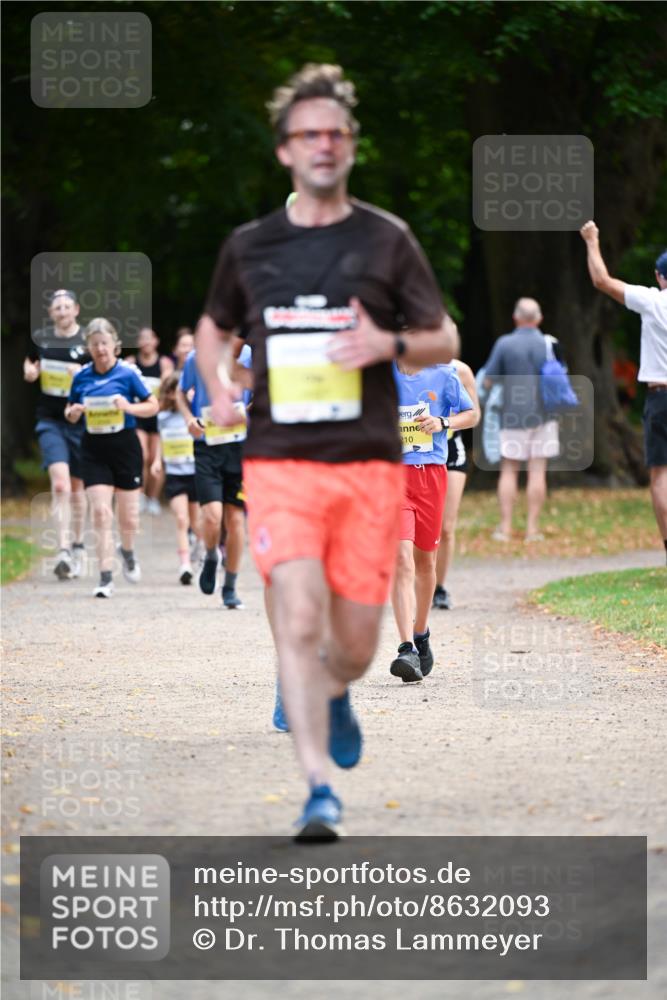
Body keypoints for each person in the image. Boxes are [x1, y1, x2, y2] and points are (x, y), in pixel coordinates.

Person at [193, 63, 455, 840]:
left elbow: (443, 337)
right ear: (284, 150)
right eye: (307, 133)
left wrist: (390, 341)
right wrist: (215, 389)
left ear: (350, 146)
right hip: (280, 464)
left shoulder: (386, 239)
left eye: (334, 132)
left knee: (353, 643)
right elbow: (214, 327)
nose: (321, 144)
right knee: (297, 615)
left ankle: (338, 690)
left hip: (369, 466)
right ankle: (318, 791)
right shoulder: (250, 248)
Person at [580, 222, 667, 562]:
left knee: (661, 475)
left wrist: (592, 241)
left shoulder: (653, 301)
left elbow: (601, 280)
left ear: (660, 277)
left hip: (661, 396)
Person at [390, 358, 476, 682]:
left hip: (431, 475)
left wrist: (442, 422)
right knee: (400, 559)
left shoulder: (443, 374)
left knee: (425, 562)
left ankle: (421, 632)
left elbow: (470, 415)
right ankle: (405, 648)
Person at [65, 318, 158, 597]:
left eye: (104, 343)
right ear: (89, 349)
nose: (100, 349)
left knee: (128, 518)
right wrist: (74, 413)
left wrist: (128, 407)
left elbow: (153, 406)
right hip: (93, 449)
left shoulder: (128, 374)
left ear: (114, 346)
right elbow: (69, 411)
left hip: (125, 448)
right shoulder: (82, 376)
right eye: (94, 345)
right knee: (101, 512)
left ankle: (127, 551)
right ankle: (105, 577)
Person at [176, 342, 250, 608]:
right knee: (212, 517)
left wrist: (248, 412)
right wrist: (188, 419)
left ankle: (230, 587)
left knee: (236, 520)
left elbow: (265, 392)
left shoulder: (250, 355)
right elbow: (180, 393)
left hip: (241, 447)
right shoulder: (198, 357)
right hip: (207, 445)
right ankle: (210, 555)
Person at [482, 298, 560, 543]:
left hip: (512, 415)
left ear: (516, 318)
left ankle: (505, 528)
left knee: (509, 470)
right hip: (545, 415)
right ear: (538, 319)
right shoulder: (550, 344)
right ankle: (532, 529)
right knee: (538, 471)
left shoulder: (505, 344)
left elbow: (488, 380)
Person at [24, 289, 89, 580]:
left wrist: (84, 373)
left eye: (66, 306)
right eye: (56, 307)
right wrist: (29, 372)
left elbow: (105, 373)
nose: (62, 311)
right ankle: (62, 550)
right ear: (51, 313)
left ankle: (77, 545)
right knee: (60, 485)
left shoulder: (89, 340)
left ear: (76, 309)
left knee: (78, 488)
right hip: (50, 420)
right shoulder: (41, 339)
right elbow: (29, 364)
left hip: (82, 423)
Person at [433, 339, 481, 610]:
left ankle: (439, 588)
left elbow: (474, 415)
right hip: (415, 452)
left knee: (446, 525)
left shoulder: (459, 371)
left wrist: (445, 422)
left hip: (451, 449)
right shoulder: (405, 369)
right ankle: (415, 581)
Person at [151, 373, 203, 584]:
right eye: (170, 391)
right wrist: (156, 461)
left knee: (198, 522)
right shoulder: (162, 417)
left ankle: (202, 550)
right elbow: (161, 441)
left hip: (195, 473)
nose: (174, 396)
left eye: (177, 391)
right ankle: (185, 565)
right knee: (182, 519)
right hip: (174, 474)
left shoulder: (193, 414)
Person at [125, 327, 174, 515]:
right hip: (138, 415)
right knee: (142, 455)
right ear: (138, 343)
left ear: (156, 341)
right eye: (142, 338)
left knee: (156, 458)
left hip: (158, 417)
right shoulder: (130, 362)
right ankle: (140, 495)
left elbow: (168, 386)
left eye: (149, 338)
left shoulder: (164, 363)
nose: (146, 342)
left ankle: (153, 498)